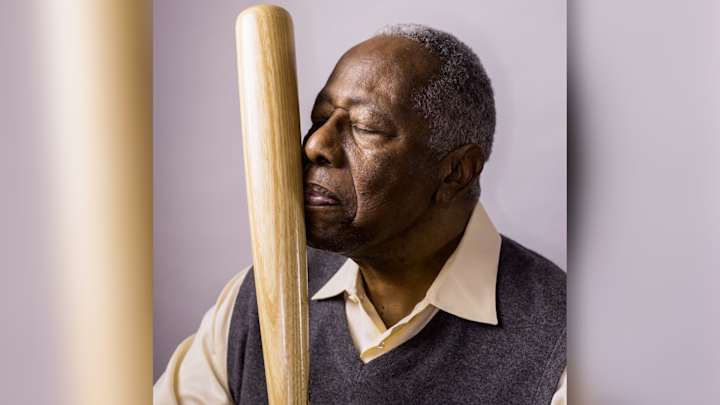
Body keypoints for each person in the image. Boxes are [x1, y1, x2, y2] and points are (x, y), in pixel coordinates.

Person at [154, 23, 566, 404]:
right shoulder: (258, 298)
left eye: (365, 126)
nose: (316, 145)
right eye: (319, 119)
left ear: (456, 172)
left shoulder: (565, 343)